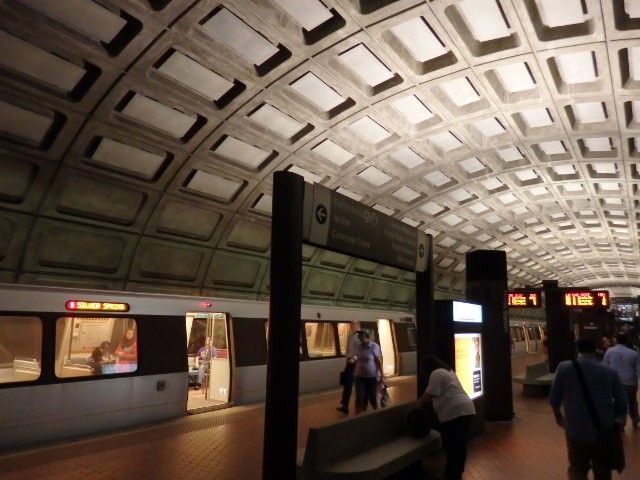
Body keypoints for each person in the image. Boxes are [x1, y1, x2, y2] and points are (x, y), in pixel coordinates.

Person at [549, 338, 628, 480]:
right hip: (603, 429)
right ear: (595, 350)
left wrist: (559, 418)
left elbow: (554, 398)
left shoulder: (564, 368)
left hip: (575, 428)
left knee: (577, 468)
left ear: (577, 350)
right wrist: (617, 418)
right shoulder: (609, 371)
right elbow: (622, 401)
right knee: (603, 468)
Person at [417, 355, 476, 480]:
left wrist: (416, 404)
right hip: (467, 409)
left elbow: (430, 394)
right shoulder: (448, 371)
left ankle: (450, 474)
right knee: (459, 444)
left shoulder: (436, 374)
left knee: (452, 445)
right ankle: (456, 472)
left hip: (454, 412)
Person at [603, 333, 640, 428]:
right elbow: (638, 369)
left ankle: (620, 422)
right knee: (632, 401)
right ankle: (635, 420)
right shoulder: (633, 353)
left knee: (618, 401)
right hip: (630, 381)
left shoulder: (609, 351)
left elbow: (604, 366)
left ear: (616, 340)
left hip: (614, 380)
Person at [353, 330, 383, 414]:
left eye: (361, 335)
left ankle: (378, 415)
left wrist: (382, 376)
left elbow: (379, 362)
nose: (359, 336)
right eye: (358, 335)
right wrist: (353, 359)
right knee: (360, 397)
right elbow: (357, 356)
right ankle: (359, 417)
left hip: (372, 378)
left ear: (367, 336)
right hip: (359, 376)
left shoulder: (374, 346)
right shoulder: (358, 346)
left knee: (373, 398)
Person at [337, 320, 360, 414]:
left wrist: (354, 358)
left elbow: (363, 350)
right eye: (351, 324)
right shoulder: (350, 335)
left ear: (358, 325)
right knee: (347, 384)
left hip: (356, 363)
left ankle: (360, 405)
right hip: (349, 362)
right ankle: (345, 405)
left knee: (353, 384)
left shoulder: (359, 336)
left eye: (354, 324)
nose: (352, 326)